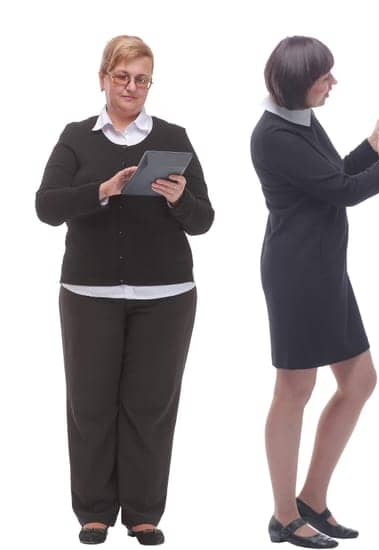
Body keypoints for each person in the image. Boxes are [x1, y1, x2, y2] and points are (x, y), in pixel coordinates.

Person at [35, 34, 214, 547]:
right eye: (122, 77)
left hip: (167, 296)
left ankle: (143, 513)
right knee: (90, 405)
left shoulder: (175, 138)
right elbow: (46, 206)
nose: (132, 87)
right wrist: (103, 190)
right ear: (103, 79)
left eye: (141, 79)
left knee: (150, 406)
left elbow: (204, 219)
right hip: (88, 294)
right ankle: (93, 511)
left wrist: (181, 199)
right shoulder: (76, 138)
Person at [250, 35, 379, 549]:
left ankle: (312, 499)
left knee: (360, 380)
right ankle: (283, 514)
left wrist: (370, 142)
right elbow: (341, 191)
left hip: (327, 273)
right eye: (325, 78)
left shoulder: (301, 119)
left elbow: (331, 173)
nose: (333, 83)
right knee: (293, 390)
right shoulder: (272, 134)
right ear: (298, 83)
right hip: (296, 276)